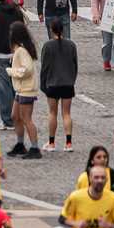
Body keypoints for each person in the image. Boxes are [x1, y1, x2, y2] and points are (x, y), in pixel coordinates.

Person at [42, 19, 80, 153]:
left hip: (52, 83)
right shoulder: (71, 45)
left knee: (52, 113)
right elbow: (75, 65)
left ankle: (51, 143)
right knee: (66, 113)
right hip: (67, 83)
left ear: (51, 30)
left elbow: (44, 67)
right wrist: (72, 79)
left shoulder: (47, 46)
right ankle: (69, 143)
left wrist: (43, 84)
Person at [9, 23, 44, 158]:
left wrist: (12, 71)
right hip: (21, 89)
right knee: (15, 116)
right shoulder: (21, 49)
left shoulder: (21, 51)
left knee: (26, 118)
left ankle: (35, 148)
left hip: (26, 89)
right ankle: (20, 144)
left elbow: (27, 69)